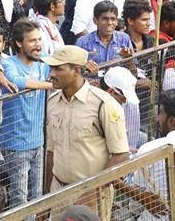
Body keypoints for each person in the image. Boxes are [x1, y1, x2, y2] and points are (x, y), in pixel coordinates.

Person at [43, 46, 129, 221]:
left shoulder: (103, 104)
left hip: (93, 198)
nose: (52, 74)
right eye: (51, 68)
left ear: (76, 71)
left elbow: (120, 155)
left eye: (58, 68)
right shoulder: (52, 102)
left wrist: (92, 193)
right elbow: (51, 153)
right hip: (59, 192)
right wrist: (45, 201)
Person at [114, 90, 175, 221]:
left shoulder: (149, 149)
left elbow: (136, 205)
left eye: (160, 113)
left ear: (172, 121)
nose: (157, 118)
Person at [0, 18, 52, 207]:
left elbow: (61, 63)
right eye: (32, 41)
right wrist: (52, 85)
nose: (38, 45)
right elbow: (17, 81)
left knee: (36, 195)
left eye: (39, 40)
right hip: (15, 142)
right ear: (19, 43)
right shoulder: (8, 64)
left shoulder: (43, 62)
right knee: (19, 198)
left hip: (38, 140)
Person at [76, 1, 133, 67]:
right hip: (91, 77)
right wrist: (85, 67)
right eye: (105, 19)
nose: (110, 23)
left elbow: (134, 71)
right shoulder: (83, 42)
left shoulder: (124, 39)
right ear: (95, 20)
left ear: (117, 21)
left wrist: (128, 60)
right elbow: (75, 71)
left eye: (113, 19)